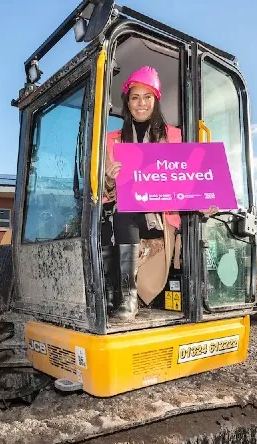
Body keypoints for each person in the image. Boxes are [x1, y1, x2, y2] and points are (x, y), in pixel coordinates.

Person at [101, 66, 183, 322]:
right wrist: (109, 179)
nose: (141, 103)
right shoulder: (112, 141)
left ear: (155, 100)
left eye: (147, 96)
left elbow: (188, 179)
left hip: (158, 217)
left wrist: (205, 200)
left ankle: (125, 296)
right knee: (114, 214)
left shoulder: (174, 137)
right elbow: (105, 192)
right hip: (124, 215)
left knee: (124, 212)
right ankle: (118, 295)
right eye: (135, 97)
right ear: (127, 101)